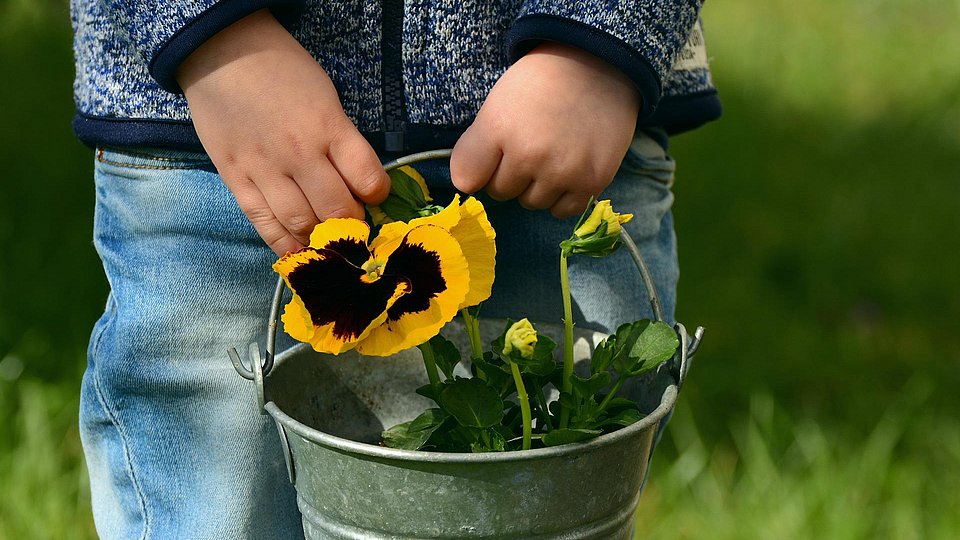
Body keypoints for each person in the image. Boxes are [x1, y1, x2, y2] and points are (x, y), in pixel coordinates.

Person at [72, 1, 720, 537]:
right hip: (224, 125)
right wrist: (214, 37)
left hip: (564, 119)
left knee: (558, 495)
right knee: (217, 507)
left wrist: (600, 39)